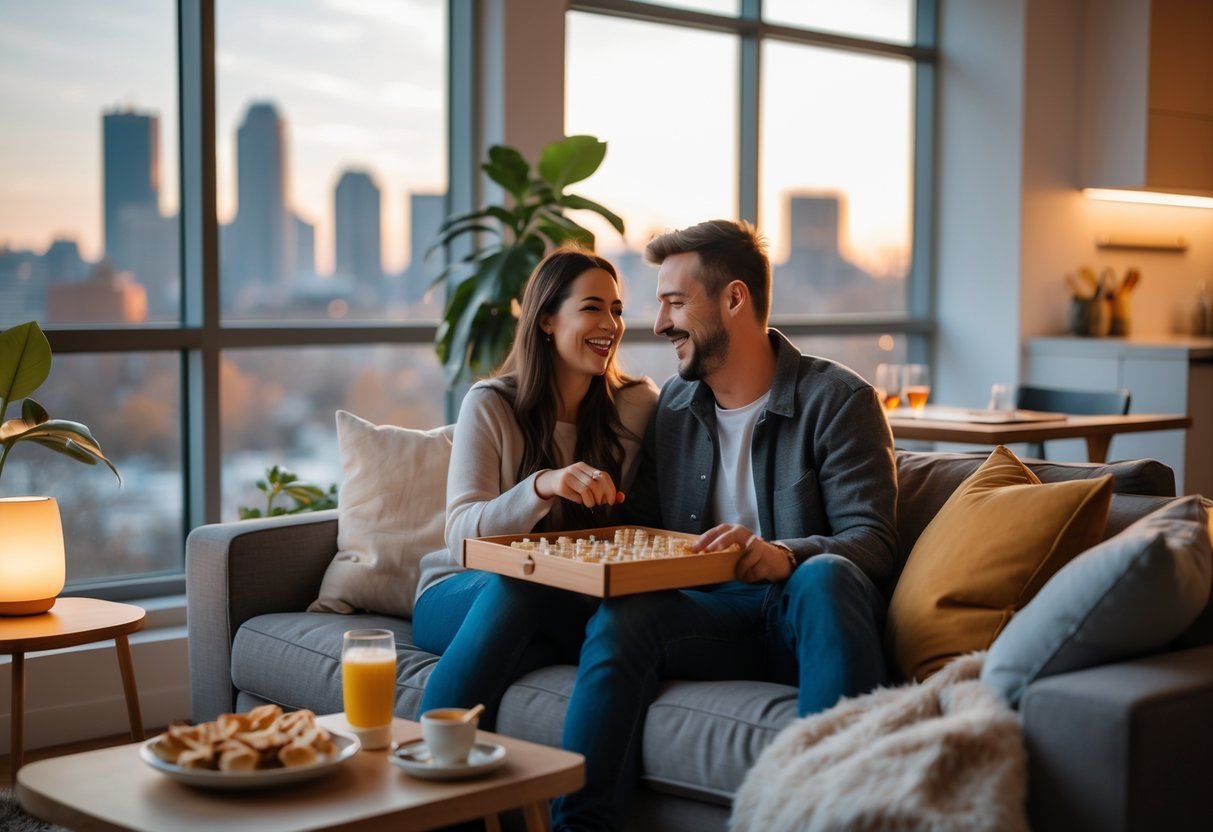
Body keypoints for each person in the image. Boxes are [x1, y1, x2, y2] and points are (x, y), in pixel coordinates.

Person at [550, 219, 899, 830]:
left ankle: (822, 816)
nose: (659, 325)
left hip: (801, 615)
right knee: (623, 614)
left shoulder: (839, 401)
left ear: (734, 300)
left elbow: (872, 541)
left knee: (827, 578)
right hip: (716, 617)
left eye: (675, 303)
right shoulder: (674, 411)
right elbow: (649, 527)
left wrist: (782, 555)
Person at [414, 247, 659, 727]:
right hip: (459, 591)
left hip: (567, 598)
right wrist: (541, 487)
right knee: (523, 585)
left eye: (617, 310)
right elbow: (460, 536)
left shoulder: (637, 405)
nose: (610, 323)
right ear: (546, 319)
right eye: (591, 308)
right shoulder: (489, 404)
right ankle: (428, 764)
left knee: (586, 623)